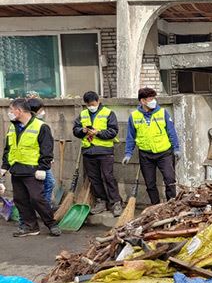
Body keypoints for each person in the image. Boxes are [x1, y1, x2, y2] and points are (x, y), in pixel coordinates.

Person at [1, 98, 60, 237]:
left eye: (11, 110)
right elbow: (8, 149)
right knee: (20, 200)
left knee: (36, 198)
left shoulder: (41, 127)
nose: (9, 113)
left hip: (33, 170)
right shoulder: (12, 127)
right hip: (16, 169)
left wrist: (43, 168)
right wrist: (4, 166)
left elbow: (47, 149)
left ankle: (51, 224)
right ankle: (30, 226)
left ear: (19, 111)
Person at [123, 87, 181, 205]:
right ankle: (155, 206)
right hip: (145, 155)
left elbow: (171, 132)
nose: (153, 101)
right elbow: (130, 137)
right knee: (150, 183)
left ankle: (171, 205)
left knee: (170, 180)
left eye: (154, 98)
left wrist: (176, 148)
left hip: (164, 153)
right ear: (142, 101)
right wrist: (128, 153)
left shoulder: (162, 112)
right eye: (150, 99)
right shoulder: (134, 116)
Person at [73, 91, 122, 216]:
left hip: (104, 151)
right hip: (88, 151)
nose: (91, 106)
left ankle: (116, 202)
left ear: (98, 101)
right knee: (94, 179)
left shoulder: (108, 113)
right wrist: (82, 131)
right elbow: (75, 130)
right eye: (88, 105)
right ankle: (101, 201)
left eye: (93, 104)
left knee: (108, 177)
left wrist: (98, 133)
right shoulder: (83, 114)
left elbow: (113, 131)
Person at [27, 98, 55, 211]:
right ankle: (44, 208)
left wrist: (48, 158)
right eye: (41, 110)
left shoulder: (25, 124)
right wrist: (45, 162)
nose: (43, 112)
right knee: (48, 184)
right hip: (36, 162)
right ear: (35, 111)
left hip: (36, 161)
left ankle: (43, 207)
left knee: (45, 185)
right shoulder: (40, 126)